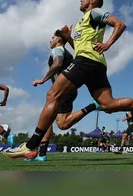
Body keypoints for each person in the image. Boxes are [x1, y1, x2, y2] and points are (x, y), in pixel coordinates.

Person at [3, 0, 133, 159]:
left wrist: (107, 44)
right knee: (108, 105)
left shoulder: (94, 12)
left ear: (91, 1)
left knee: (52, 95)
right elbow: (79, 47)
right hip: (94, 63)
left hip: (86, 61)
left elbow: (119, 24)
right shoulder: (84, 21)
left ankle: (31, 145)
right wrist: (69, 38)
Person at [25, 30, 100, 162]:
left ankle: (92, 106)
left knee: (62, 124)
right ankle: (40, 153)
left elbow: (57, 63)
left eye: (52, 37)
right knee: (47, 120)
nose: (50, 40)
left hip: (63, 92)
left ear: (59, 40)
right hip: (64, 91)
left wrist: (42, 79)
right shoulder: (65, 52)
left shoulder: (57, 50)